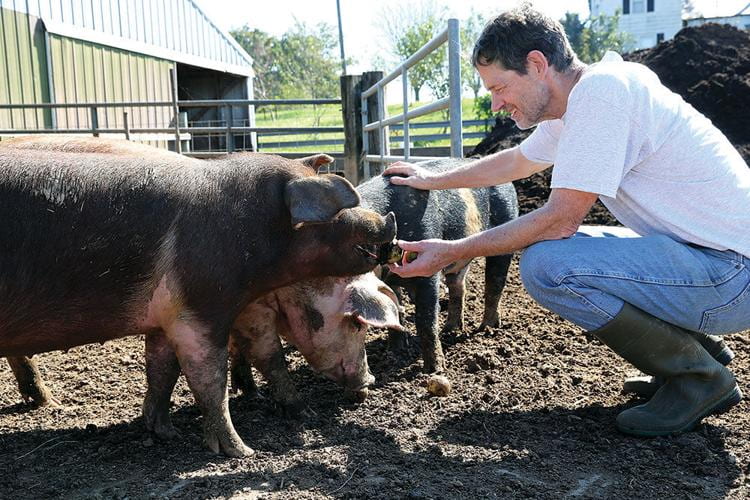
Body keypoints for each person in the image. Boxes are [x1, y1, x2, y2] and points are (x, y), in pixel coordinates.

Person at [384, 5, 749, 437]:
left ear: (537, 65)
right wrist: (434, 180)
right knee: (557, 255)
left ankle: (699, 379)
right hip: (712, 262)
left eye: (500, 87)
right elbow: (518, 160)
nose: (497, 102)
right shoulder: (584, 98)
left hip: (731, 278)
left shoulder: (603, 96)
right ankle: (693, 353)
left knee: (550, 266)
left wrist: (456, 251)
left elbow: (560, 220)